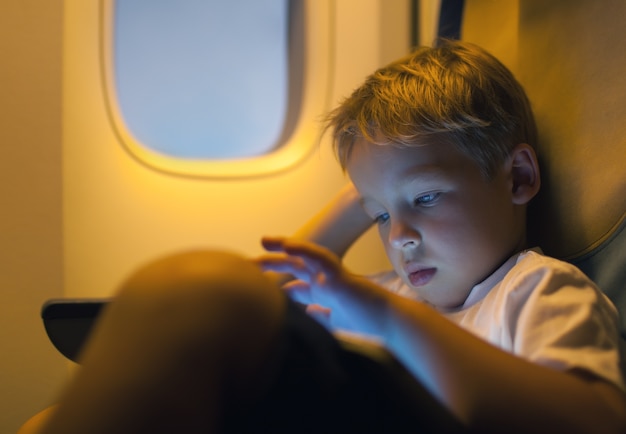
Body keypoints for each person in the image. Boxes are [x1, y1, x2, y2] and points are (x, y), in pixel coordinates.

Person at [23, 40, 626, 434]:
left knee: (196, 291)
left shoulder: (537, 291)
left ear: (518, 176)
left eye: (426, 197)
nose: (402, 235)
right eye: (380, 216)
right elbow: (270, 290)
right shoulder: (392, 291)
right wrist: (377, 189)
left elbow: (595, 421)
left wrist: (387, 317)